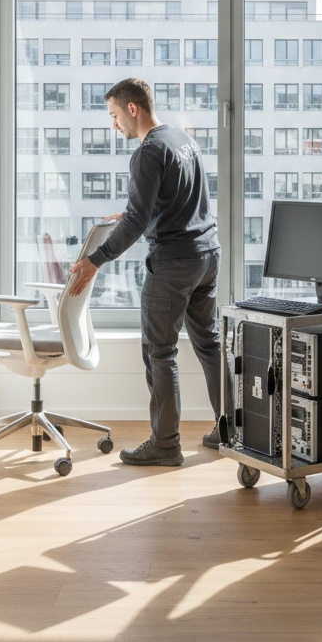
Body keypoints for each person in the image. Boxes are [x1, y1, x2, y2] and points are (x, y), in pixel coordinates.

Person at [67, 77, 229, 467]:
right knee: (209, 344)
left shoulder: (146, 152)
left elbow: (139, 220)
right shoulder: (180, 138)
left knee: (160, 352)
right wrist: (136, 212)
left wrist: (96, 260)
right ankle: (231, 429)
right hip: (207, 255)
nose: (114, 125)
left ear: (132, 109)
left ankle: (166, 444)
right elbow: (180, 198)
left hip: (173, 264)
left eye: (114, 115)